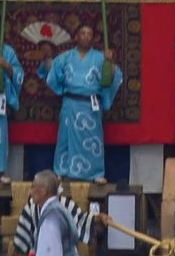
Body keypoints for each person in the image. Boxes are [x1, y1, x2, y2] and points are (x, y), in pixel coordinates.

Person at [41, 25, 122, 182]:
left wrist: (110, 62)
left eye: (89, 34)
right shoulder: (66, 57)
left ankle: (96, 173)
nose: (85, 36)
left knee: (93, 139)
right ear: (76, 37)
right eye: (82, 33)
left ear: (93, 38)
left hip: (90, 105)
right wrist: (47, 61)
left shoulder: (100, 57)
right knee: (64, 138)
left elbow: (114, 77)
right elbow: (51, 73)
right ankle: (61, 171)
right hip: (70, 103)